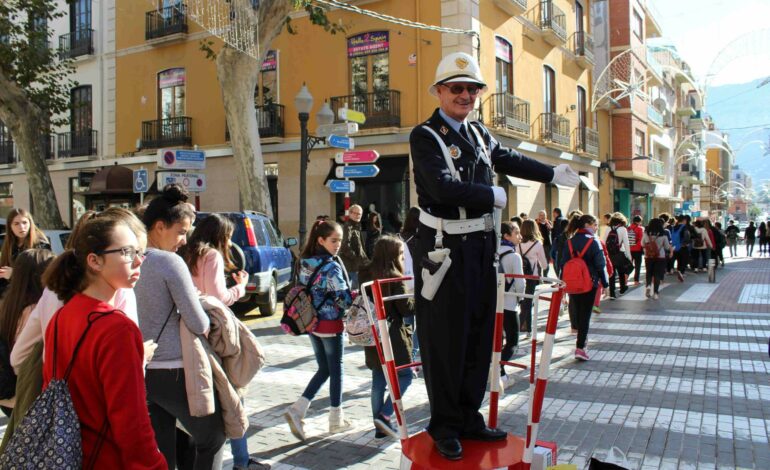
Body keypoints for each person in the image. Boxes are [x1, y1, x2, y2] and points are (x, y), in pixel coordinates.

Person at [409, 51, 579, 460]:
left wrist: (552, 172)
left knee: (478, 336)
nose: (465, 95)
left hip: (481, 249)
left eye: (472, 88)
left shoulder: (479, 134)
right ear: (439, 91)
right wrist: (492, 194)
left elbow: (511, 159)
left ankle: (468, 416)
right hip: (444, 250)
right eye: (456, 88)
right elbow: (441, 187)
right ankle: (444, 424)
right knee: (446, 339)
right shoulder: (426, 135)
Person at [41, 215, 166, 468]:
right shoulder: (117, 328)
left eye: (140, 252)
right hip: (107, 457)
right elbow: (131, 421)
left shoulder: (63, 315)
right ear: (94, 261)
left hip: (66, 455)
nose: (139, 260)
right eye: (127, 252)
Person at [135, 184, 226, 470]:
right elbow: (198, 322)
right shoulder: (168, 262)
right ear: (160, 227)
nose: (184, 240)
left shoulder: (127, 260)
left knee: (163, 452)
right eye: (181, 231)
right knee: (212, 437)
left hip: (142, 369)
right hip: (174, 370)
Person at [180, 214, 269, 470]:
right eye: (228, 237)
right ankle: (242, 462)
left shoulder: (185, 253)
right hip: (214, 332)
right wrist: (240, 287)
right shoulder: (211, 256)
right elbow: (218, 297)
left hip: (187, 330)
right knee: (234, 397)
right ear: (220, 236)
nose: (230, 242)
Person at [284, 220, 354, 441]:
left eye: (340, 240)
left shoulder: (305, 262)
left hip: (311, 323)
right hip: (331, 324)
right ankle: (336, 420)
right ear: (321, 240)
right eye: (334, 240)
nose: (338, 245)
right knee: (336, 369)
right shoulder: (332, 266)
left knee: (324, 368)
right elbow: (343, 300)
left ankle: (297, 410)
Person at [358, 236, 414, 439]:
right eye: (400, 254)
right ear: (392, 255)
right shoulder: (395, 279)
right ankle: (385, 415)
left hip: (373, 333)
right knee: (406, 376)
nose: (402, 258)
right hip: (393, 336)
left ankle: (379, 427)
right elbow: (406, 310)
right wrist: (415, 298)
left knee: (378, 378)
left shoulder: (365, 274)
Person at [0, 249, 53, 414]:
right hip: (23, 394)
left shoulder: (9, 301)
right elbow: (21, 360)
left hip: (7, 391)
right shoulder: (34, 309)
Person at [557, 214, 608, 361]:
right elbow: (600, 264)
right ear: (587, 224)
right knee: (585, 315)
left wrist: (562, 282)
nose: (596, 228)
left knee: (578, 310)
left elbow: (563, 264)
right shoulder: (594, 241)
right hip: (589, 283)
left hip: (572, 281)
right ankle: (580, 347)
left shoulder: (569, 242)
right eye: (595, 225)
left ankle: (580, 337)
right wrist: (605, 284)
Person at [497, 221, 524, 388]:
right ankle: (498, 368)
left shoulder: (492, 252)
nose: (520, 236)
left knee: (496, 341)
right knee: (513, 341)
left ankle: (500, 375)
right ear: (506, 236)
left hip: (492, 304)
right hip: (509, 303)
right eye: (517, 233)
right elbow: (520, 284)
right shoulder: (514, 256)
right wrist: (521, 298)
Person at [0, 208, 50, 297]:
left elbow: (42, 276)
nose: (21, 227)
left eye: (24, 222)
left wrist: (14, 274)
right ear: (10, 226)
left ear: (30, 224)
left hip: (31, 297)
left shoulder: (41, 245)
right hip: (9, 296)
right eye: (16, 224)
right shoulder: (6, 244)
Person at [518, 220, 547, 335]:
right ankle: (525, 327)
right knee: (528, 302)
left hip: (518, 275)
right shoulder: (537, 244)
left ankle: (522, 326)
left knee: (520, 301)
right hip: (532, 276)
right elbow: (544, 264)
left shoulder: (518, 243)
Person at [602, 213, 632, 298]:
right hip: (620, 253)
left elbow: (603, 242)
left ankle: (612, 293)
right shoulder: (623, 229)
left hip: (610, 254)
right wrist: (629, 256)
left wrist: (604, 254)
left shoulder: (608, 228)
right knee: (621, 272)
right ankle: (622, 289)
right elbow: (626, 244)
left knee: (611, 273)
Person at [338, 204, 368, 289]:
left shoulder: (357, 226)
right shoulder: (348, 227)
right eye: (356, 213)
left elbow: (360, 248)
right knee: (354, 290)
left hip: (356, 266)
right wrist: (355, 258)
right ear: (350, 214)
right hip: (351, 266)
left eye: (360, 214)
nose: (358, 216)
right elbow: (344, 246)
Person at [642, 218, 672, 300]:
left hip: (648, 256)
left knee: (649, 272)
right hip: (660, 257)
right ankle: (655, 293)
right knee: (657, 274)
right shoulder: (663, 234)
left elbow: (642, 244)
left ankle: (648, 286)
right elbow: (666, 246)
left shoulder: (646, 233)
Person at [627, 215, 644, 285]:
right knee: (637, 266)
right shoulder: (640, 229)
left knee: (628, 265)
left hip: (629, 249)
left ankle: (625, 277)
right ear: (639, 221)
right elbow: (641, 240)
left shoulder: (628, 228)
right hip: (637, 250)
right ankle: (636, 280)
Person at [536, 210, 552, 275]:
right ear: (538, 216)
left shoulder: (549, 223)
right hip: (539, 245)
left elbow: (552, 231)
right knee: (539, 261)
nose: (542, 217)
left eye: (544, 215)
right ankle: (539, 277)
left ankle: (545, 276)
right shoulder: (536, 223)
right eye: (541, 215)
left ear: (546, 216)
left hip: (547, 245)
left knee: (547, 261)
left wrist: (550, 228)